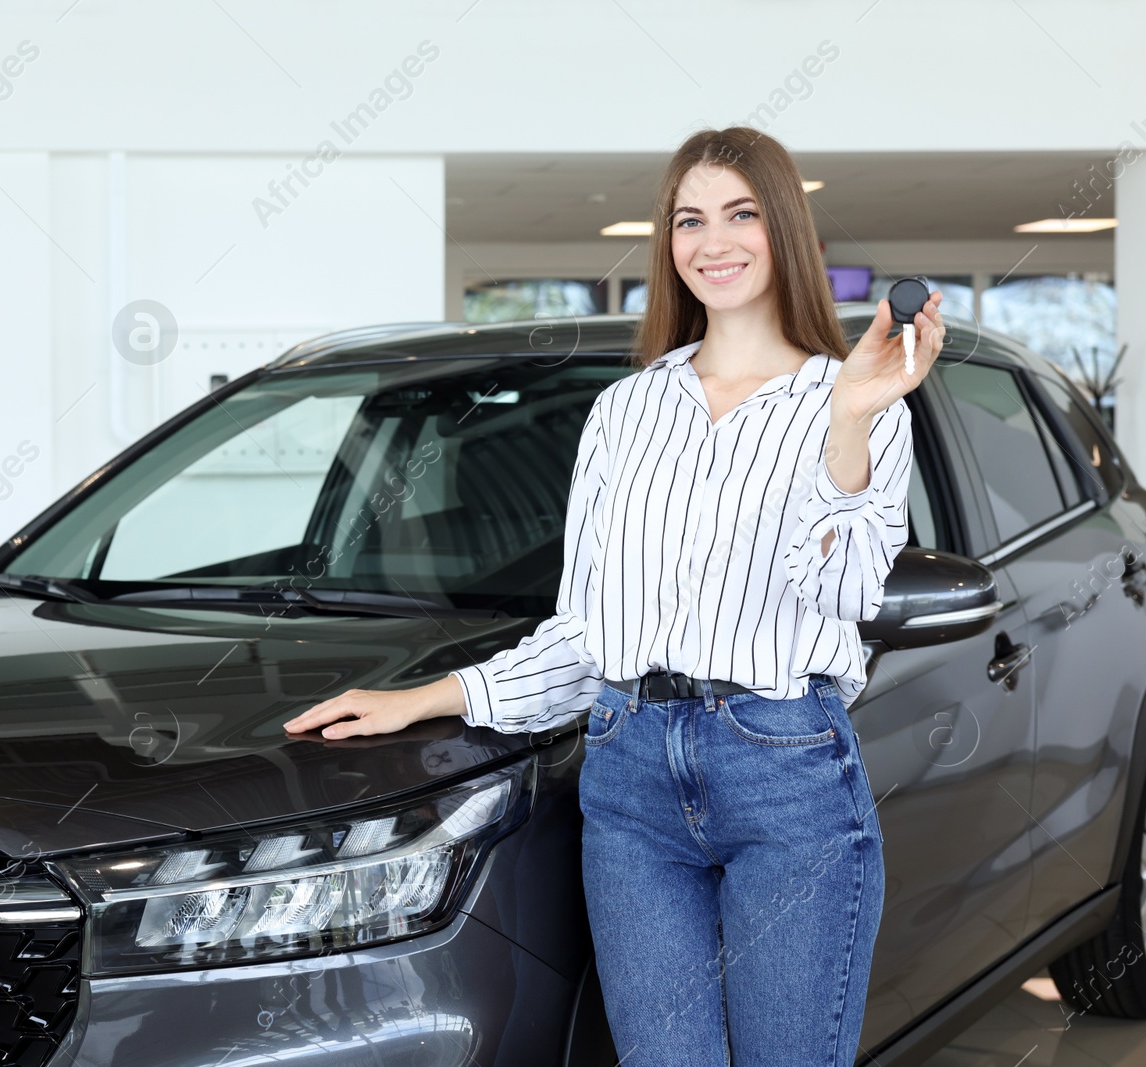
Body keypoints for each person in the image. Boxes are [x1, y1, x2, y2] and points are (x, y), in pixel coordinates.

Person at [282, 125, 944, 1065]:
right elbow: (587, 634)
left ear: (785, 228)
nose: (714, 241)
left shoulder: (857, 401)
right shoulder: (626, 410)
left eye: (741, 214)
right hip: (628, 771)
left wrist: (847, 421)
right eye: (689, 219)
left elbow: (837, 590)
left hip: (786, 768)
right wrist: (426, 697)